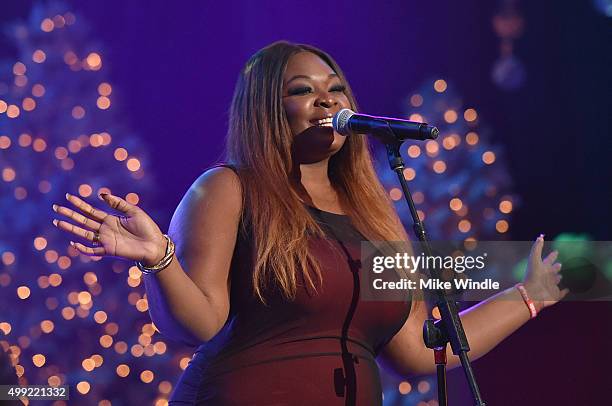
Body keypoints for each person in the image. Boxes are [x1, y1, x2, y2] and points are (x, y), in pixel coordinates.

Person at [52, 41, 567, 405]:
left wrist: (529, 295)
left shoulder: (372, 218)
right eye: (303, 90)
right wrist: (159, 259)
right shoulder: (230, 188)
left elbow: (414, 351)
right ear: (268, 111)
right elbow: (200, 324)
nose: (328, 99)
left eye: (337, 88)